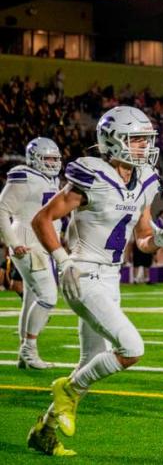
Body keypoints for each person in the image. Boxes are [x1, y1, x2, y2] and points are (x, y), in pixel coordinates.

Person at [27, 107, 163, 457]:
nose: (143, 146)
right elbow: (42, 220)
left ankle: (44, 432)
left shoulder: (145, 179)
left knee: (92, 361)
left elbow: (140, 238)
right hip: (81, 273)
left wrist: (158, 242)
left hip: (111, 277)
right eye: (136, 139)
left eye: (145, 139)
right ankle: (66, 391)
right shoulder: (92, 174)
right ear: (112, 141)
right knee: (132, 348)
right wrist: (62, 262)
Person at [0, 137, 63, 369]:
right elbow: (2, 209)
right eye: (48, 158)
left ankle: (23, 353)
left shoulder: (51, 178)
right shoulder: (23, 176)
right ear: (34, 158)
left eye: (55, 158)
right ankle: (29, 348)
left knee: (31, 298)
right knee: (48, 297)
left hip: (41, 244)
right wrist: (13, 242)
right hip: (27, 243)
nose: (52, 162)